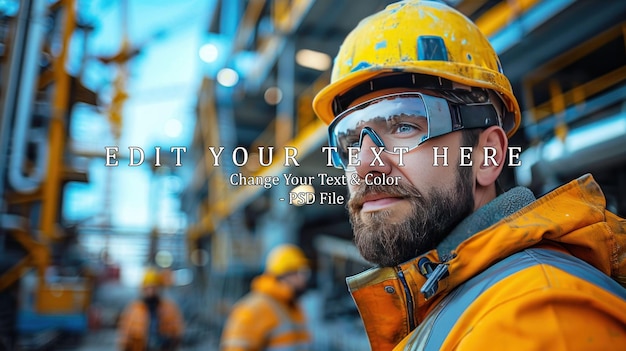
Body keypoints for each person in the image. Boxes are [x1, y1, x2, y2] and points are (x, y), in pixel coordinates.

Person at [311, 0, 626, 350]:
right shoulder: (454, 298)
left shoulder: (539, 319)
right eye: (352, 139)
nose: (366, 163)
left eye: (403, 125)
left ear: (487, 155)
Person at [220, 244, 311, 351]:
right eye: (299, 273)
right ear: (284, 274)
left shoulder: (293, 307)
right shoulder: (254, 308)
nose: (303, 279)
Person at [118, 267, 184, 351]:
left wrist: (169, 341)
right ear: (142, 289)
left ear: (159, 288)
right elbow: (124, 337)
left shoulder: (170, 309)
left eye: (154, 288)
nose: (151, 292)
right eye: (147, 288)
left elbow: (178, 332)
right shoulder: (133, 310)